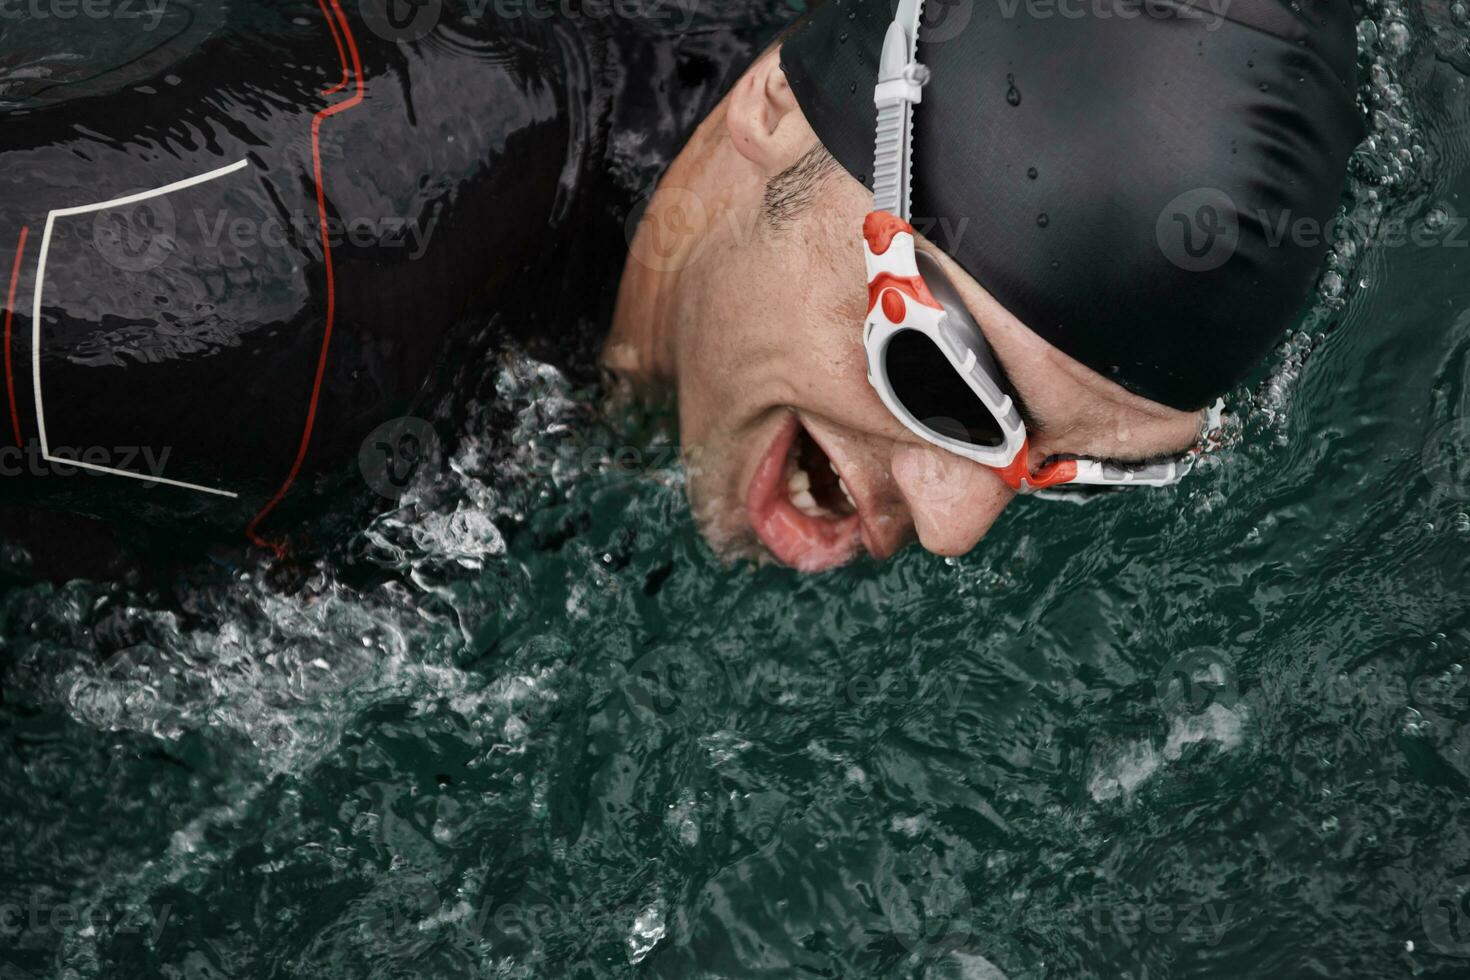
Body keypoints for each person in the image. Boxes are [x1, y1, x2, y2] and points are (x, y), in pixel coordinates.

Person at [0, 0, 1361, 573]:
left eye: (1077, 469)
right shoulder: (258, 273)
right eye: (944, 379)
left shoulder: (743, 210)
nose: (958, 528)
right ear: (778, 114)